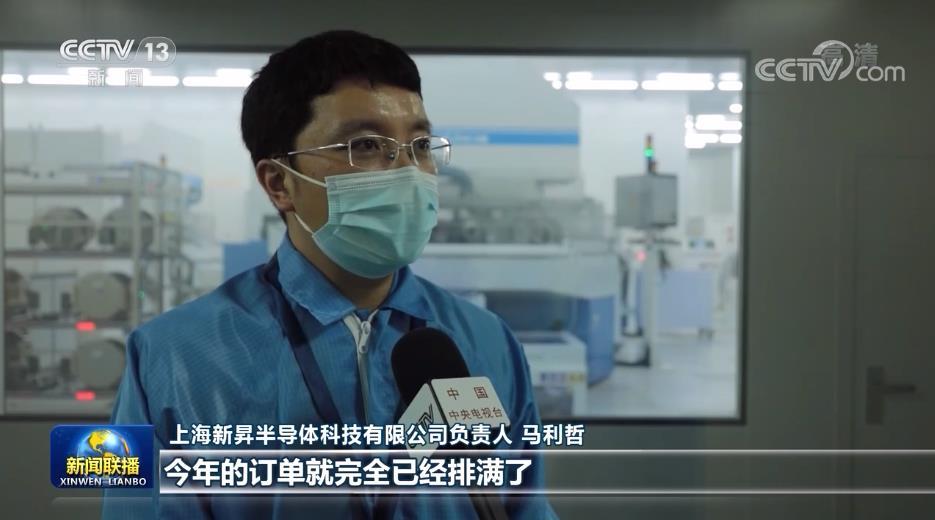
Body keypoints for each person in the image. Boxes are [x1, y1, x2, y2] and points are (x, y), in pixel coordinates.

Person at [102, 30, 557, 519]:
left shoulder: (485, 342)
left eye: (420, 145)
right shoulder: (174, 356)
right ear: (279, 183)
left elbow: (524, 507)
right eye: (366, 145)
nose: (406, 171)